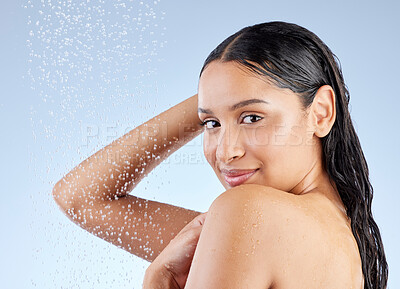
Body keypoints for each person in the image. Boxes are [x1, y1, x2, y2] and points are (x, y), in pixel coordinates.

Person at [52, 21, 388, 288]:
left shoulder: (247, 214)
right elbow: (81, 198)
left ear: (321, 112)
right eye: (211, 123)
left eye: (252, 117)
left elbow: (81, 198)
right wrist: (225, 93)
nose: (226, 152)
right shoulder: (347, 243)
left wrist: (157, 282)